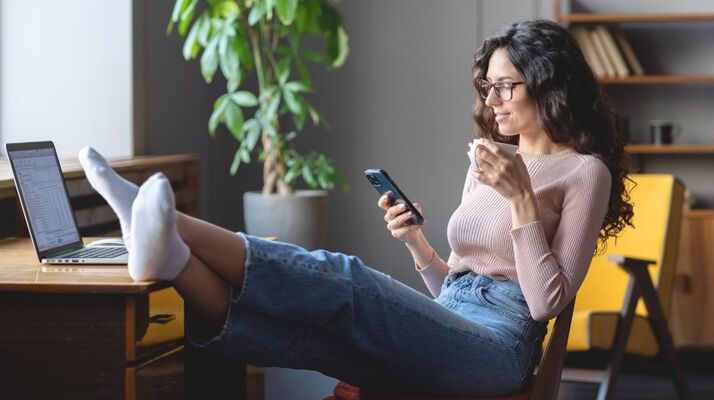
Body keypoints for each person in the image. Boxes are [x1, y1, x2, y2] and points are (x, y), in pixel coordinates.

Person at [78, 19, 632, 398]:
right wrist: (417, 244)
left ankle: (166, 223)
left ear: (546, 84)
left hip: (500, 351)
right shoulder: (490, 159)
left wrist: (519, 200)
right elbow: (454, 290)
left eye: (505, 87)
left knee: (349, 280)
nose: (490, 101)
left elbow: (546, 302)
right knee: (311, 340)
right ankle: (170, 257)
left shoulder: (585, 172)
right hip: (457, 321)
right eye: (486, 86)